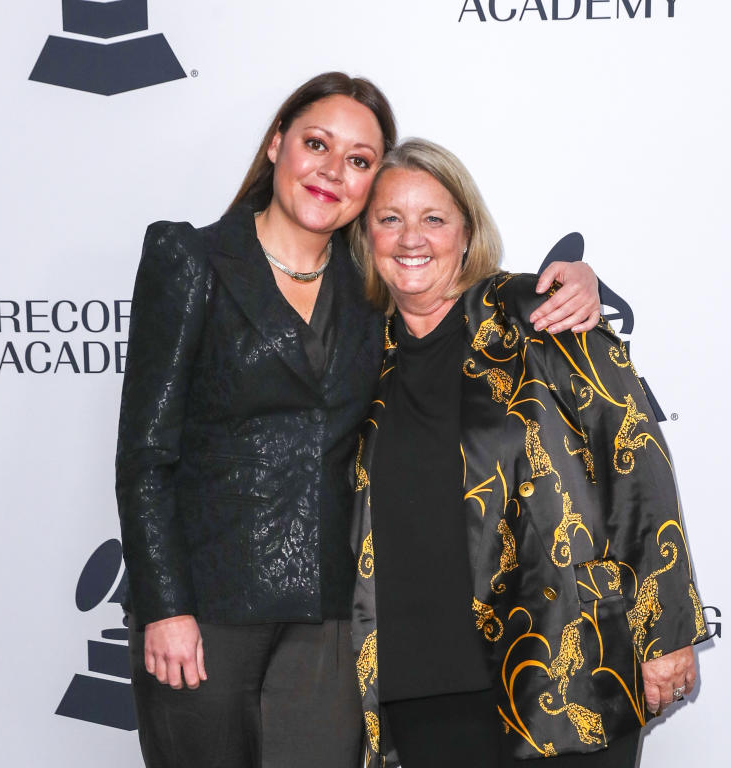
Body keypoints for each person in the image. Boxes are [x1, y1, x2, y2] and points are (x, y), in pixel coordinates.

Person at [115, 74, 603, 768]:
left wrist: (571, 280)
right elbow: (144, 455)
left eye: (359, 159)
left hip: (333, 615)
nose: (331, 170)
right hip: (207, 609)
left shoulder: (373, 283)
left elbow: (465, 300)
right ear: (277, 143)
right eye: (316, 143)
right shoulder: (190, 260)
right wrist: (165, 607)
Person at [349, 138, 708, 768]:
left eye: (434, 218)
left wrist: (667, 630)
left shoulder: (537, 316)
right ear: (365, 236)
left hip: (561, 678)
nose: (412, 238)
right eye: (389, 219)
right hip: (418, 694)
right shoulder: (356, 353)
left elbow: (635, 460)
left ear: (467, 233)